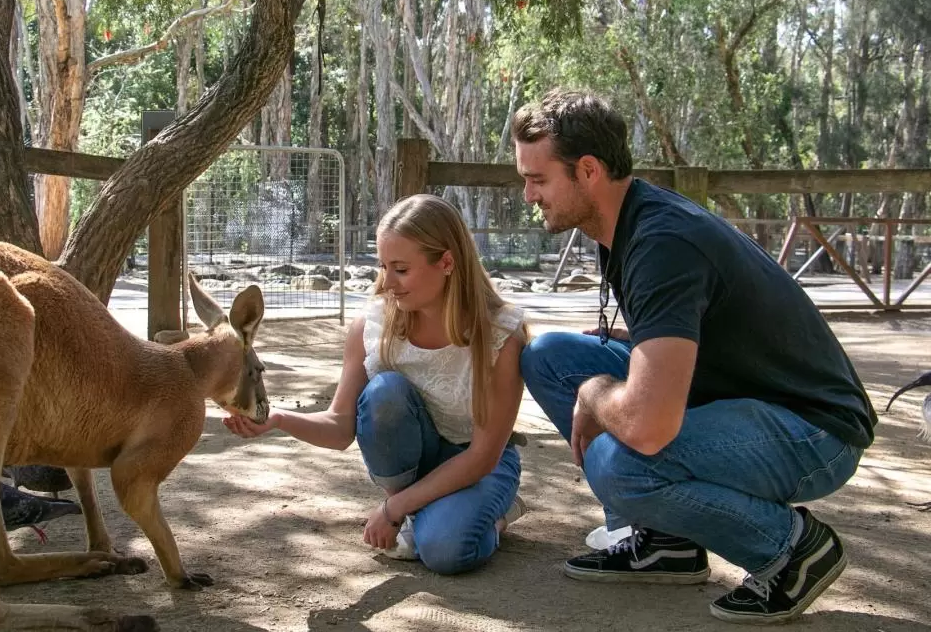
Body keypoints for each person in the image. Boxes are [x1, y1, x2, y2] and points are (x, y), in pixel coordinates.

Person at [511, 88, 877, 624]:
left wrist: (594, 393)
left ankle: (792, 549)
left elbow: (648, 425)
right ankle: (666, 541)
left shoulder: (663, 243)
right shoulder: (623, 222)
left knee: (620, 462)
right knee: (549, 356)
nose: (527, 195)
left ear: (587, 170)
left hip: (813, 430)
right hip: (738, 396)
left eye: (537, 179)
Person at [224, 193, 530, 574]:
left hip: (481, 465)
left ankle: (494, 515)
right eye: (382, 266)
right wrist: (279, 419)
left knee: (447, 552)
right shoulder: (373, 325)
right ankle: (423, 511)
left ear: (447, 262)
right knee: (385, 392)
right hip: (417, 463)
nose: (387, 282)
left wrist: (392, 510)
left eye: (400, 269)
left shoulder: (500, 334)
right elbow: (340, 428)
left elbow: (482, 457)